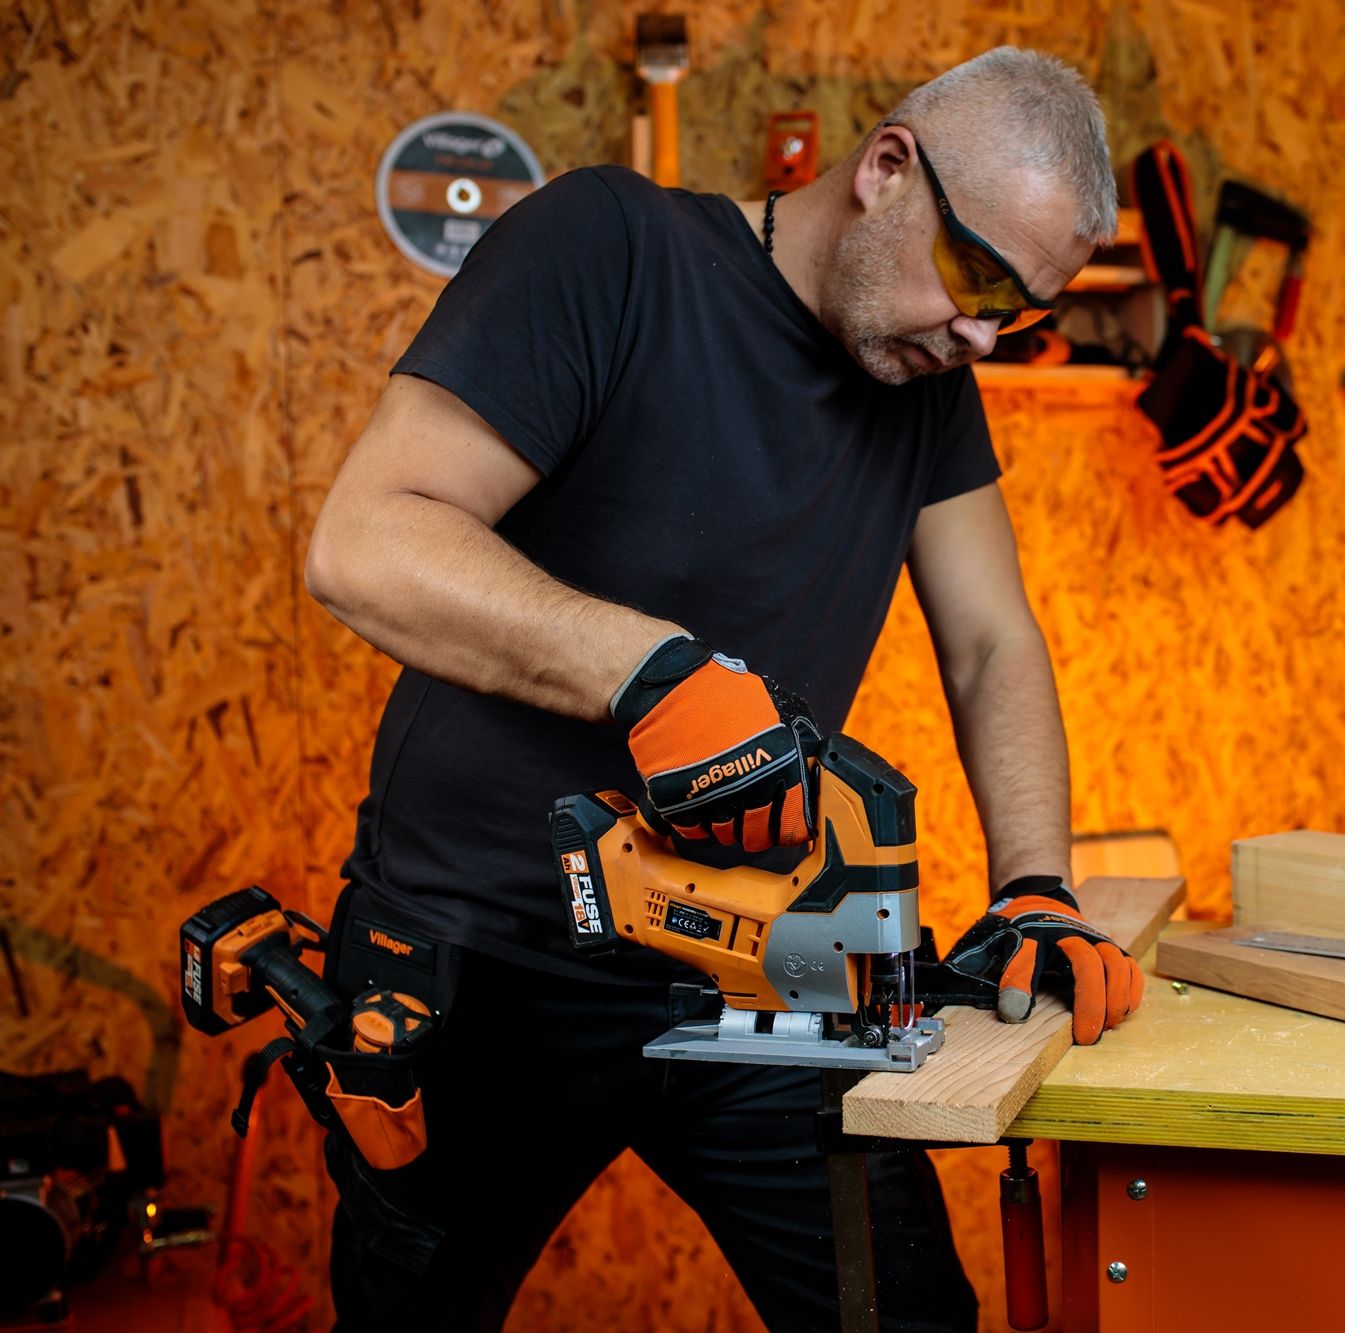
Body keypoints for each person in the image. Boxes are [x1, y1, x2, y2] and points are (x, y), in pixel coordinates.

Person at [302, 46, 1142, 1332]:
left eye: (1017, 313)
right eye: (977, 278)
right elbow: (365, 541)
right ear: (886, 169)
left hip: (764, 952)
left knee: (902, 1313)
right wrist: (650, 674)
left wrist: (1036, 885)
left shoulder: (928, 382)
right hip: (482, 948)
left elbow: (991, 641)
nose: (982, 333)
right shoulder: (608, 247)